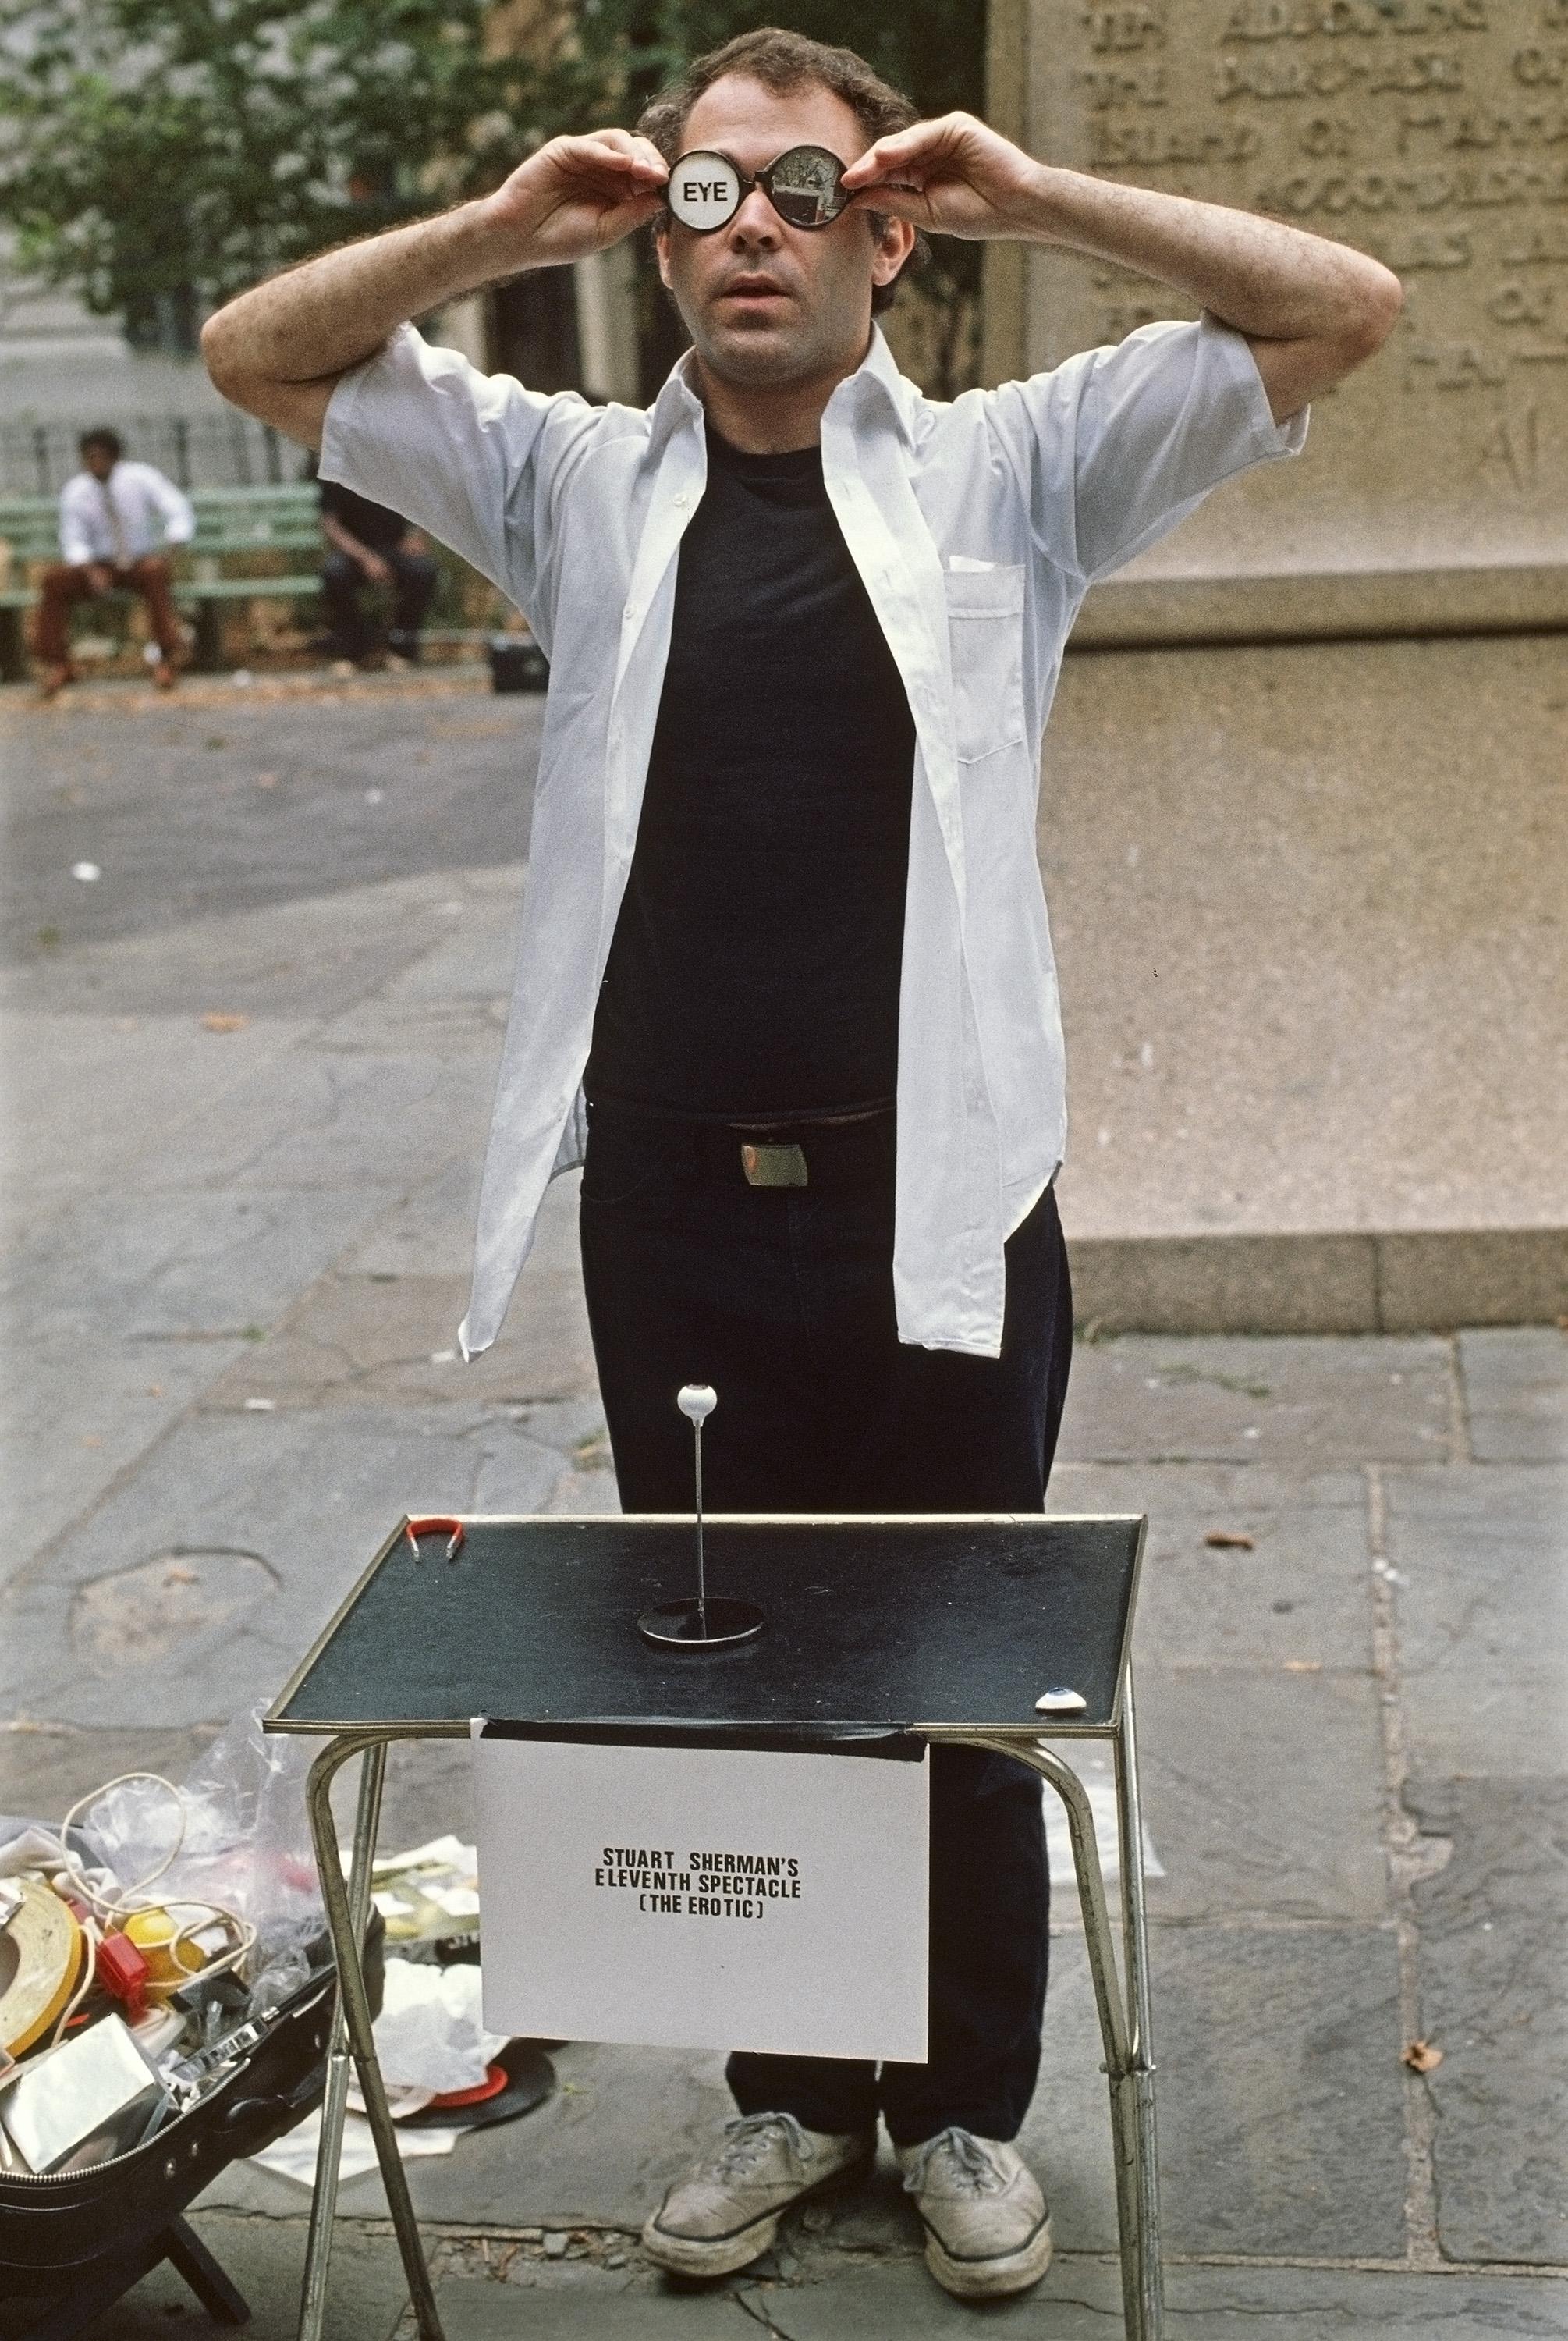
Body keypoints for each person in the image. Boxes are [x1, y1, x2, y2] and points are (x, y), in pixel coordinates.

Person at [201, 26, 1399, 2303]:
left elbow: (1335, 305)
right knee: (726, 1662)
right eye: (700, 192)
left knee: (954, 1668)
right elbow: (258, 353)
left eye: (800, 189)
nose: (745, 229)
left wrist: (1032, 195)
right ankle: (785, 2093)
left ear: (882, 228)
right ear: (652, 235)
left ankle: (957, 2115)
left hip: (934, 1198)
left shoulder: (1011, 474)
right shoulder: (567, 477)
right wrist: (497, 228)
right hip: (669, 1195)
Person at [34, 428, 194, 698]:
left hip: (138, 563)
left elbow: (177, 508)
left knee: (156, 573)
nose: (93, 463)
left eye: (99, 456)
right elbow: (72, 539)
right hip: (96, 566)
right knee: (54, 580)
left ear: (114, 456)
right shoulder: (77, 491)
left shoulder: (141, 478)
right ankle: (58, 663)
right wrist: (90, 569)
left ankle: (166, 660)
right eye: (88, 458)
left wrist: (174, 542)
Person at [312, 463, 438, 666]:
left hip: (395, 548)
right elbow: (330, 524)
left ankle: (401, 650)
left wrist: (418, 535)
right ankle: (352, 651)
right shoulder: (336, 469)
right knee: (334, 573)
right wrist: (367, 558)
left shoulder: (394, 464)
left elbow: (422, 507)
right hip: (354, 552)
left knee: (423, 571)